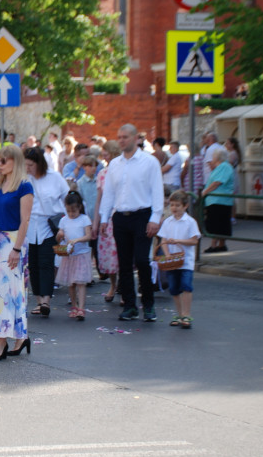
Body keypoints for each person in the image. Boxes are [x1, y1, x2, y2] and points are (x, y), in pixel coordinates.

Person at [98, 124, 164, 322]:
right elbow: (109, 193)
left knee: (142, 261)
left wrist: (155, 218)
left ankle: (149, 304)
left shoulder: (149, 162)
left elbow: (157, 191)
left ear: (136, 138)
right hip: (120, 217)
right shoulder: (115, 164)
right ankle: (129, 306)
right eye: (119, 137)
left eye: (125, 137)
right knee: (124, 263)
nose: (121, 140)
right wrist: (104, 218)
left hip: (142, 215)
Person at [0, 144, 33, 361]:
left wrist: (17, 249)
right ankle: (20, 336)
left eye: (4, 160)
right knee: (0, 290)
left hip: (13, 241)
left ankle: (1, 341)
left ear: (15, 161)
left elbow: (25, 220)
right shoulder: (0, 185)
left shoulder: (24, 186)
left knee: (7, 291)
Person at [23, 146, 69, 318]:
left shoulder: (55, 177)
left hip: (49, 224)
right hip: (29, 225)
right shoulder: (25, 179)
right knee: (33, 264)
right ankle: (38, 300)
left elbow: (68, 197)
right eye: (25, 165)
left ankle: (46, 301)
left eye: (30, 165)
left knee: (46, 263)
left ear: (39, 164)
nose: (27, 168)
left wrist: (67, 221)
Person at [154, 190, 200, 329]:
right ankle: (179, 314)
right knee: (174, 288)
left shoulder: (190, 222)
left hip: (186, 262)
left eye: (177, 205)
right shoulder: (168, 221)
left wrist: (179, 241)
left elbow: (194, 241)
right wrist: (167, 253)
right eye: (172, 205)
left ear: (185, 206)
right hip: (172, 262)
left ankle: (186, 314)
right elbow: (164, 239)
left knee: (186, 286)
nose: (174, 208)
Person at [55, 191, 93, 321]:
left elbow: (89, 236)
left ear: (79, 208)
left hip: (81, 255)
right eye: (69, 211)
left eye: (74, 211)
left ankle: (81, 308)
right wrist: (59, 236)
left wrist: (77, 240)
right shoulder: (63, 220)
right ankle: (74, 306)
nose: (71, 214)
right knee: (71, 283)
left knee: (80, 282)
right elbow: (59, 237)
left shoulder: (84, 219)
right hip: (69, 255)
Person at [94, 141, 121, 302]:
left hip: (120, 215)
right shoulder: (102, 173)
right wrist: (96, 221)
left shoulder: (123, 171)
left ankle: (125, 288)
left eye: (106, 152)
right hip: (106, 219)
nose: (104, 155)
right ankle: (113, 284)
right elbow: (99, 200)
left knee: (122, 256)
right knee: (109, 257)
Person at [202, 149, 235, 253]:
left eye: (213, 156)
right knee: (220, 224)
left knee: (217, 224)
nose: (212, 158)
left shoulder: (224, 166)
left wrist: (205, 192)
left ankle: (214, 245)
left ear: (217, 157)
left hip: (219, 200)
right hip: (218, 200)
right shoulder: (222, 167)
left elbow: (217, 182)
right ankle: (221, 245)